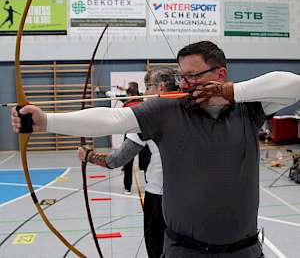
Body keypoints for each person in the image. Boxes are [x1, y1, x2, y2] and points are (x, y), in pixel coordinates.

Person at [11, 41, 300, 257]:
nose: (186, 84)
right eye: (182, 76)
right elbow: (114, 118)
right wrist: (46, 120)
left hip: (244, 251)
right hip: (183, 251)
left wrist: (232, 92)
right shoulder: (167, 109)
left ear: (221, 73)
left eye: (194, 76)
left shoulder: (248, 108)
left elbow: (293, 85)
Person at [78, 68, 177, 258]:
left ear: (161, 87)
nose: (145, 93)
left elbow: (116, 160)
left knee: (158, 250)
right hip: (192, 197)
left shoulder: (147, 118)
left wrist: (88, 155)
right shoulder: (193, 109)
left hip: (160, 197)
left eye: (148, 87)